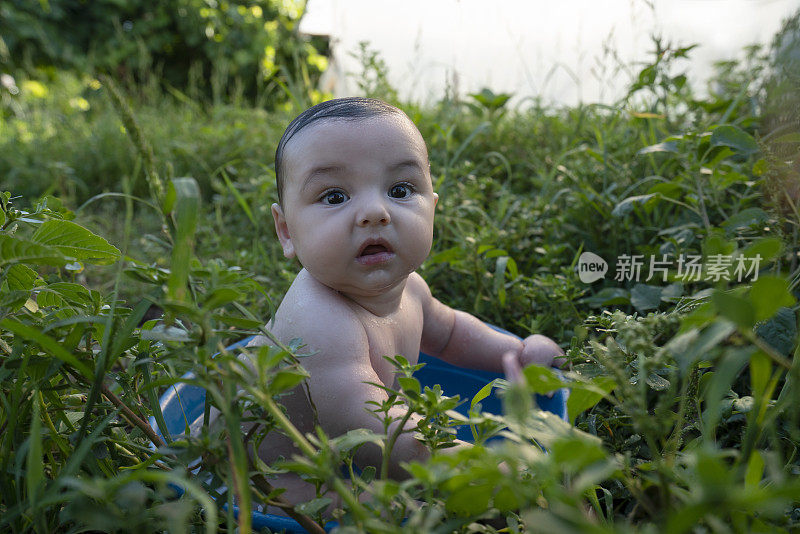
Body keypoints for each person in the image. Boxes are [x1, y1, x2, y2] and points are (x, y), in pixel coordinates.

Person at [247, 97, 564, 515]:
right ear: (286, 231)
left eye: (400, 190)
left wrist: (515, 355)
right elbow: (378, 433)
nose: (375, 213)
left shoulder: (410, 288)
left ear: (431, 209)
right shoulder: (318, 321)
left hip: (347, 447)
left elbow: (450, 334)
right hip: (276, 477)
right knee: (397, 510)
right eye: (334, 196)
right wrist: (481, 465)